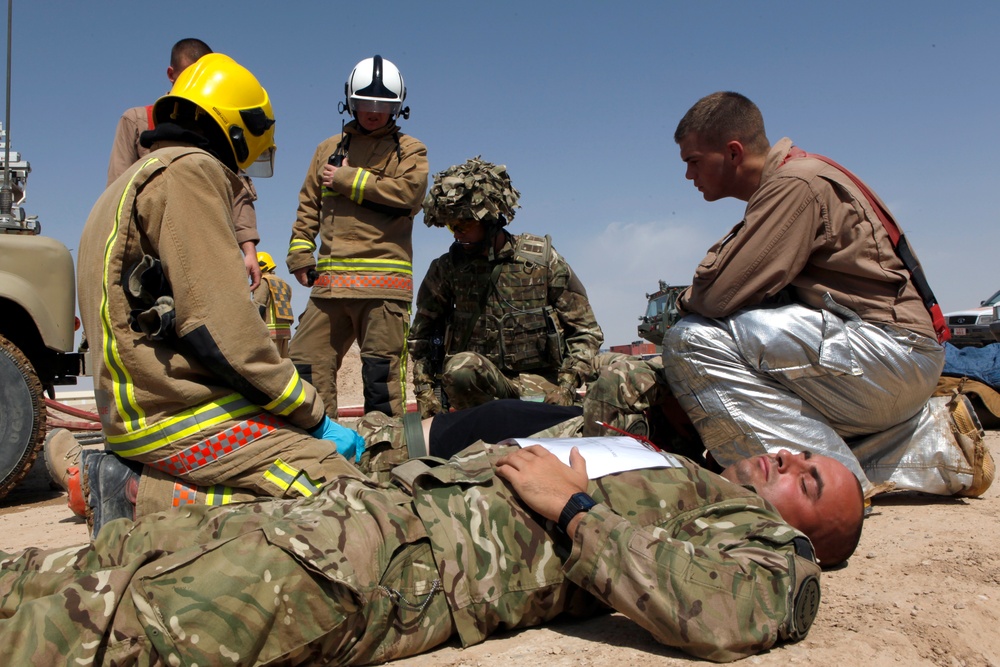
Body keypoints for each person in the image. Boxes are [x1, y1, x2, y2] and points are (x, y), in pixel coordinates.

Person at [1, 424, 864, 664]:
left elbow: (714, 612)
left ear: (812, 539)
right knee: (100, 562)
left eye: (808, 479)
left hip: (398, 570)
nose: (787, 458)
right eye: (799, 452)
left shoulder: (766, 549)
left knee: (123, 627)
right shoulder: (682, 467)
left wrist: (575, 511)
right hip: (377, 506)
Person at [74, 53, 363, 538]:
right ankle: (139, 496)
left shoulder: (134, 178)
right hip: (172, 415)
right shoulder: (189, 172)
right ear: (236, 128)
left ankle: (142, 483)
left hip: (141, 409)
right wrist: (312, 416)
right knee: (346, 500)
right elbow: (220, 330)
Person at [663, 91, 994, 498]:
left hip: (890, 354)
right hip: (897, 360)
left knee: (692, 340)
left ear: (732, 152)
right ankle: (934, 446)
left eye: (693, 161)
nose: (688, 176)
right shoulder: (796, 179)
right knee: (770, 395)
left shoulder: (794, 184)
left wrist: (682, 301)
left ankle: (822, 497)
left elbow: (715, 295)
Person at [287, 55, 427, 418]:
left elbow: (411, 193)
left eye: (384, 104)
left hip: (382, 288)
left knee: (381, 383)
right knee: (304, 366)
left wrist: (348, 179)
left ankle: (391, 465)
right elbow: (308, 205)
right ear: (350, 100)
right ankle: (323, 457)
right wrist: (301, 255)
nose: (374, 111)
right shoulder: (328, 149)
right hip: (330, 285)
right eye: (366, 102)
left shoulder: (409, 150)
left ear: (398, 107)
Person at [410, 157, 604, 416]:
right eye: (450, 226)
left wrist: (567, 387)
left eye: (464, 224)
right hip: (479, 389)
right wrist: (426, 394)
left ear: (490, 220)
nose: (456, 233)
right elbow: (422, 336)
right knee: (460, 369)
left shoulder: (542, 261)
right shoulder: (446, 269)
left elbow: (585, 331)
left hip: (542, 385)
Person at [106, 38, 262, 290]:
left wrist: (249, 250)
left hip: (207, 250)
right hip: (152, 257)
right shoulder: (137, 120)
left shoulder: (219, 126)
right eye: (191, 75)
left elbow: (238, 191)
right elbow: (118, 190)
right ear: (171, 74)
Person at [252, 251, 294, 357]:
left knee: (269, 367)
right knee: (284, 365)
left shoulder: (263, 282)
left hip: (269, 334)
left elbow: (259, 305)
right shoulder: (284, 284)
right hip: (284, 333)